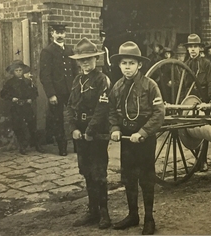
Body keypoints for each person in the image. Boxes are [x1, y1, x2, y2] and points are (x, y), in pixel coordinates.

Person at [109, 41, 165, 235]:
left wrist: (142, 133)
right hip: (126, 138)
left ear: (139, 65)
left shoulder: (150, 86)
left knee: (146, 178)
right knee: (128, 177)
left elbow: (159, 113)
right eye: (124, 63)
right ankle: (133, 215)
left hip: (144, 138)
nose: (127, 67)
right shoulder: (116, 87)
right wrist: (115, 128)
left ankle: (149, 219)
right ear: (119, 65)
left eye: (131, 63)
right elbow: (112, 112)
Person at [65, 38, 112, 229]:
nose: (86, 63)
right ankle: (92, 211)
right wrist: (73, 129)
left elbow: (102, 108)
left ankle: (104, 214)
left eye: (89, 59)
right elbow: (69, 106)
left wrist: (90, 131)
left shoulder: (102, 80)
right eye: (82, 60)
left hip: (97, 132)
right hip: (81, 132)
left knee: (99, 172)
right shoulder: (77, 80)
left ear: (96, 59)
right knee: (86, 171)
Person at [39, 23, 78, 156]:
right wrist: (51, 94)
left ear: (65, 34)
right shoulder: (47, 51)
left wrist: (76, 88)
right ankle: (62, 147)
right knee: (58, 119)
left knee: (76, 115)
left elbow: (75, 71)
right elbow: (45, 75)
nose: (60, 35)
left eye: (62, 33)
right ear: (52, 34)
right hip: (57, 92)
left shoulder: (69, 50)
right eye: (57, 33)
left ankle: (78, 145)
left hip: (71, 90)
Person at [184, 34, 211, 172]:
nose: (192, 50)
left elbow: (210, 82)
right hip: (191, 99)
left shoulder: (206, 63)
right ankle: (198, 159)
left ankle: (202, 160)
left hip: (203, 98)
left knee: (202, 130)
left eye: (195, 47)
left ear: (200, 48)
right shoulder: (186, 64)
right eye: (190, 47)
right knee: (193, 129)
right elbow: (183, 84)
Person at [0, 60, 44, 155]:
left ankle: (37, 145)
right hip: (16, 107)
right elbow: (3, 94)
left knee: (32, 125)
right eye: (16, 70)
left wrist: (31, 99)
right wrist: (12, 98)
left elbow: (34, 92)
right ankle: (22, 146)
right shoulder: (9, 83)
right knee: (18, 126)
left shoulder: (28, 82)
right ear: (13, 72)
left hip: (27, 106)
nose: (19, 72)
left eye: (20, 70)